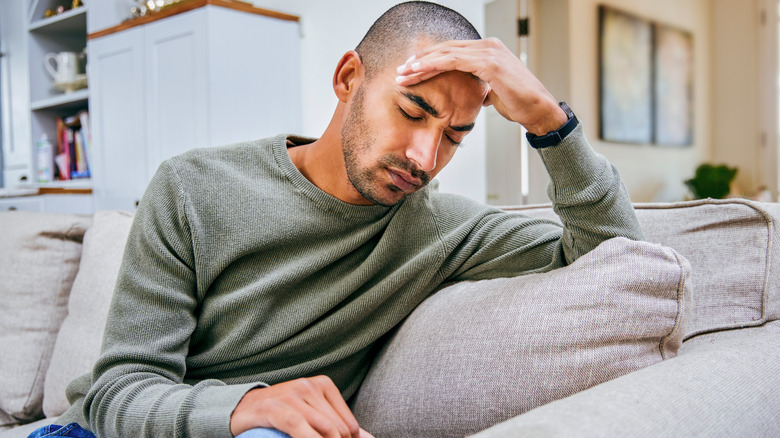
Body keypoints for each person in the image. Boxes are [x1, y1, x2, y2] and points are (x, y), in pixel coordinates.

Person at [34, 2, 642, 437]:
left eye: (454, 136)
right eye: (412, 111)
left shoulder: (444, 230)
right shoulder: (193, 188)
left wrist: (548, 123)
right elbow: (121, 392)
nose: (425, 159)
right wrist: (249, 406)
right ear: (348, 78)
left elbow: (621, 262)